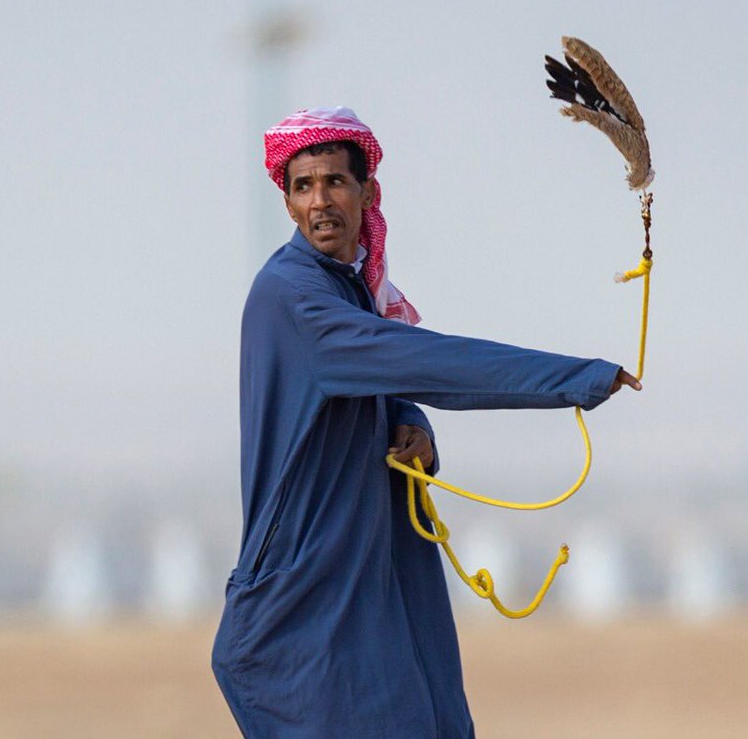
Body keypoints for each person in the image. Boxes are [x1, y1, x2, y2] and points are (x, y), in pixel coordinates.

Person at [210, 107, 640, 737]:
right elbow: (422, 360)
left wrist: (414, 425)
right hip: (302, 615)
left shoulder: (353, 289)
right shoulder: (291, 295)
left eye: (335, 181)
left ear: (366, 192)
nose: (320, 200)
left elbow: (383, 375)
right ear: (287, 201)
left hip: (374, 584)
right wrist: (574, 378)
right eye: (303, 186)